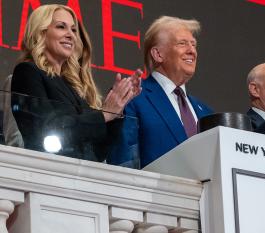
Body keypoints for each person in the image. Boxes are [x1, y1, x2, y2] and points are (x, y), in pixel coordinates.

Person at [10, 4, 141, 162]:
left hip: (82, 176)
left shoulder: (74, 86)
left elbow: (97, 151)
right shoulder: (28, 71)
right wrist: (103, 115)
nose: (70, 35)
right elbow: (45, 130)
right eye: (61, 27)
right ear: (41, 33)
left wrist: (115, 111)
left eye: (73, 29)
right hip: (49, 173)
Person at [108, 16, 213, 169]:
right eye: (182, 43)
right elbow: (123, 163)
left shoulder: (206, 113)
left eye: (193, 44)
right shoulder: (132, 96)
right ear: (158, 54)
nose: (192, 51)